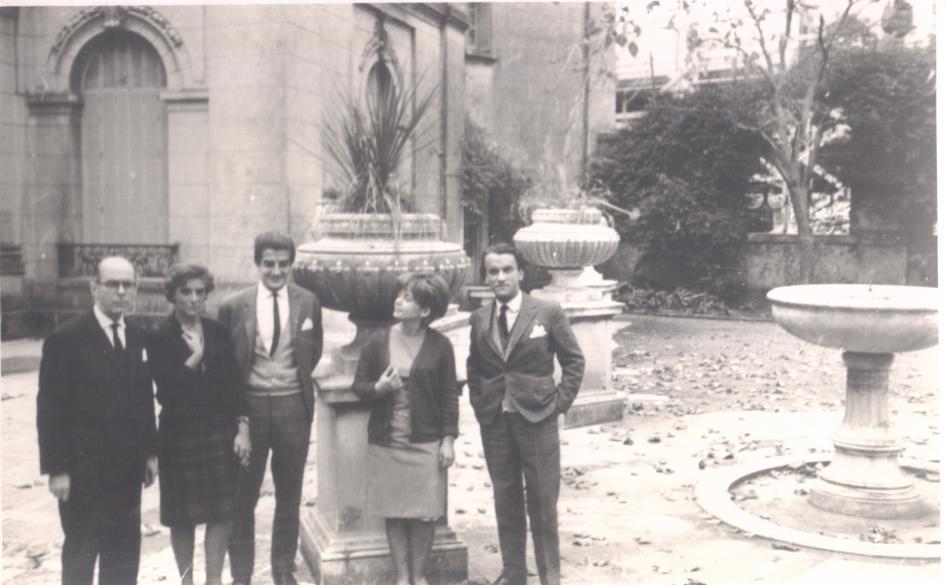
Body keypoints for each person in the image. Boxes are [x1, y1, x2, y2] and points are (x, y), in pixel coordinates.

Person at [466, 243, 585, 585]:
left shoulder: (546, 313)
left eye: (506, 269)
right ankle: (513, 573)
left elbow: (574, 361)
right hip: (496, 421)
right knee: (505, 497)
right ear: (486, 276)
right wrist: (480, 403)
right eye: (493, 271)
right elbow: (475, 367)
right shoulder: (479, 318)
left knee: (543, 501)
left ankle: (550, 576)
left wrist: (558, 405)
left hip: (537, 419)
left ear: (520, 272)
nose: (500, 277)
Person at [36, 256, 159, 585]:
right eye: (113, 284)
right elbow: (50, 409)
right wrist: (57, 469)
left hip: (127, 472)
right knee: (81, 554)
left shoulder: (137, 335)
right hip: (82, 475)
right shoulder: (67, 339)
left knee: (123, 558)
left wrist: (149, 453)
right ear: (94, 288)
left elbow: (144, 399)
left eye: (128, 284)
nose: (121, 291)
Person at [218, 231, 323, 585]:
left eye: (282, 264)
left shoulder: (308, 302)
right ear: (257, 263)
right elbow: (227, 365)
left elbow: (313, 348)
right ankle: (242, 575)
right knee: (242, 497)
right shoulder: (235, 305)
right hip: (250, 411)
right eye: (269, 264)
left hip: (294, 407)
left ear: (290, 264)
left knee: (289, 493)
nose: (276, 271)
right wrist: (237, 419)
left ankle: (282, 570)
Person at [352, 273, 460, 585]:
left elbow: (449, 397)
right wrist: (379, 388)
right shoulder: (377, 340)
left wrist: (448, 440)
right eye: (399, 294)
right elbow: (359, 387)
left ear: (426, 310)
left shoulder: (441, 346)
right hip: (387, 441)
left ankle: (420, 576)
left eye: (408, 297)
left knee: (425, 513)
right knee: (394, 510)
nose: (398, 300)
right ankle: (402, 577)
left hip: (425, 441)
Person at [148, 262, 251, 585]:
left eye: (200, 292)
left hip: (218, 429)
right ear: (173, 295)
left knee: (222, 512)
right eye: (186, 292)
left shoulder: (217, 331)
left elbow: (234, 384)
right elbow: (167, 391)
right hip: (179, 432)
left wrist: (243, 429)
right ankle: (187, 580)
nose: (193, 299)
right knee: (182, 517)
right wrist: (195, 358)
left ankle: (213, 580)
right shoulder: (160, 336)